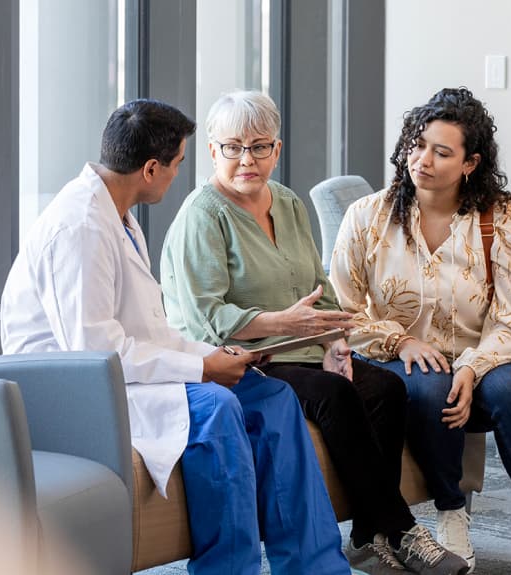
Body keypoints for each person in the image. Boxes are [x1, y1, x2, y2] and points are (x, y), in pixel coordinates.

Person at [0, 99, 352, 575]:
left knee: (273, 398)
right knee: (218, 408)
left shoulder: (118, 216)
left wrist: (217, 354)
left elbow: (150, 331)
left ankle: (316, 567)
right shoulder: (80, 227)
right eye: (178, 163)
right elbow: (95, 355)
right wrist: (203, 367)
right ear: (150, 168)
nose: (179, 174)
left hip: (129, 371)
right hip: (77, 389)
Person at [160, 90, 469, 575]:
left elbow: (318, 286)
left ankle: (368, 535)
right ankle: (401, 527)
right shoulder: (203, 216)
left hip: (303, 346)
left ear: (277, 150)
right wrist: (286, 324)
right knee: (334, 396)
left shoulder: (285, 201)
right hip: (244, 359)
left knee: (385, 388)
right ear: (213, 151)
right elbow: (206, 319)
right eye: (234, 147)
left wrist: (335, 342)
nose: (247, 160)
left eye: (260, 147)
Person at [329, 87, 511, 575]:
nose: (422, 159)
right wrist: (401, 341)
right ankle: (451, 514)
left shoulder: (500, 217)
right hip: (401, 362)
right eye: (416, 145)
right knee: (431, 383)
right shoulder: (367, 216)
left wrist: (473, 367)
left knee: (510, 392)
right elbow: (343, 311)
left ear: (470, 162)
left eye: (441, 151)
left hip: (484, 357)